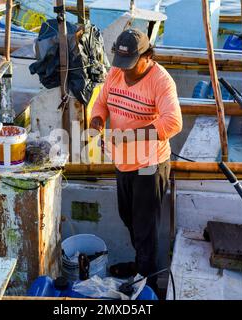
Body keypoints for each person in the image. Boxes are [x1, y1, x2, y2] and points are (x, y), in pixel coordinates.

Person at [89, 29, 183, 293]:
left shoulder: (161, 81)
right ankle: (140, 265)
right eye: (122, 65)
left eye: (131, 65)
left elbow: (173, 122)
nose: (125, 72)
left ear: (148, 56)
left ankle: (148, 284)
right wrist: (97, 120)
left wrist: (131, 136)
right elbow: (101, 103)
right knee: (128, 216)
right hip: (123, 162)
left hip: (149, 165)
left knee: (145, 226)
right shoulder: (116, 72)